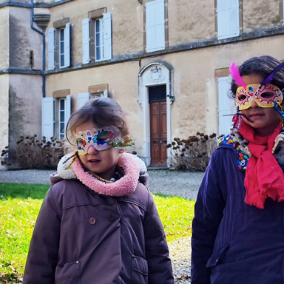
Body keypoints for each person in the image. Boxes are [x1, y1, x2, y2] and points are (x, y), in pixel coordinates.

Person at [192, 56, 284, 284]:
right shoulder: (225, 156)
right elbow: (205, 223)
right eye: (244, 96)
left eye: (265, 94)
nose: (253, 104)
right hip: (234, 274)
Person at [23, 97, 174, 284]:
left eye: (102, 140)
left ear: (122, 144)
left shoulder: (140, 195)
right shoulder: (60, 195)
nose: (92, 150)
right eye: (83, 141)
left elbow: (158, 256)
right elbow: (40, 257)